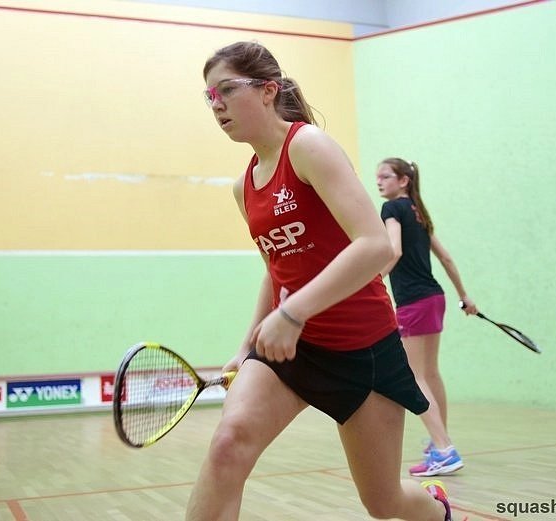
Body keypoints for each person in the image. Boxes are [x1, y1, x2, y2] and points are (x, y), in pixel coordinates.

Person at [186, 41, 455, 521]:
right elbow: (275, 268)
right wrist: (247, 344)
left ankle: (438, 511)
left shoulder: (308, 146)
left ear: (268, 90)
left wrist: (292, 313)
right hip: (290, 351)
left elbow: (375, 245)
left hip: (363, 349)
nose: (216, 105)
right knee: (228, 445)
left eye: (226, 90)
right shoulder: (243, 186)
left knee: (382, 502)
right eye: (210, 96)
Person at [376, 157, 478, 477]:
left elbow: (394, 251)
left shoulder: (392, 209)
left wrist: (372, 280)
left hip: (413, 301)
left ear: (403, 180)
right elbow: (445, 257)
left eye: (385, 176)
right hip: (435, 298)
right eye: (377, 177)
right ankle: (440, 443)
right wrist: (464, 296)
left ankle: (444, 449)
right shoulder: (419, 212)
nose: (379, 182)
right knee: (430, 373)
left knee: (414, 375)